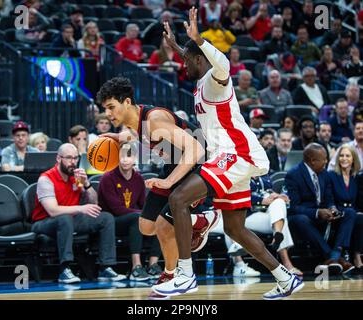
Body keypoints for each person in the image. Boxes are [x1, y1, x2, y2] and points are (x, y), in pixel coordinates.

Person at [151, 7, 304, 300]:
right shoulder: (199, 81)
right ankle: (285, 279)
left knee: (178, 197)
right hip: (230, 159)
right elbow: (194, 57)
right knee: (235, 229)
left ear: (201, 59)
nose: (183, 64)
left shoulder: (215, 79)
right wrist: (177, 46)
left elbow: (221, 64)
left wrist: (200, 40)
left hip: (237, 154)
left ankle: (184, 275)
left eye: (187, 59)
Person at [96, 76, 220, 299]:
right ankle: (194, 225)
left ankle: (172, 273)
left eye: (111, 107)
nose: (108, 113)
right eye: (105, 108)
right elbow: (133, 134)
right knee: (146, 226)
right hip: (175, 165)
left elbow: (196, 149)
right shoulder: (134, 122)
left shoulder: (154, 120)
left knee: (164, 225)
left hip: (201, 165)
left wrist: (169, 182)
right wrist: (118, 137)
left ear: (126, 103)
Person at [31, 143, 126, 283]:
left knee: (106, 218)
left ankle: (105, 268)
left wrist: (86, 184)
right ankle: (64, 269)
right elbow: (52, 210)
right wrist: (80, 208)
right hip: (43, 223)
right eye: (69, 158)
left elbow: (94, 202)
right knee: (64, 219)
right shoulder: (46, 179)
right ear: (58, 158)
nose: (73, 162)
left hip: (71, 220)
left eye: (76, 158)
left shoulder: (75, 177)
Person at [286, 143, 355, 274]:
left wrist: (332, 208)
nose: (326, 161)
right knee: (301, 219)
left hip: (323, 213)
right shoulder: (293, 174)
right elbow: (294, 207)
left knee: (350, 213)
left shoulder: (324, 173)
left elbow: (329, 198)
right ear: (313, 161)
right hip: (304, 217)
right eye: (324, 159)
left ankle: (336, 254)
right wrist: (317, 213)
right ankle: (331, 257)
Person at [98, 142, 162, 281]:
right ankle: (136, 267)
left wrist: (151, 215)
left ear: (135, 159)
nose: (125, 160)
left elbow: (143, 205)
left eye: (129, 156)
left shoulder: (138, 178)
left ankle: (153, 264)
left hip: (133, 220)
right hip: (112, 222)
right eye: (121, 156)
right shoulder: (108, 178)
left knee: (160, 219)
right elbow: (116, 209)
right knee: (137, 218)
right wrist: (141, 215)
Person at [328, 144, 361, 272]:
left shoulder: (356, 178)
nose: (344, 158)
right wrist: (332, 208)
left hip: (352, 213)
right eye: (341, 155)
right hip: (337, 212)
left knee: (359, 217)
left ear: (353, 159)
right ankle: (340, 252)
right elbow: (329, 197)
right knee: (350, 213)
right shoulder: (332, 175)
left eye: (348, 156)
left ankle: (356, 255)